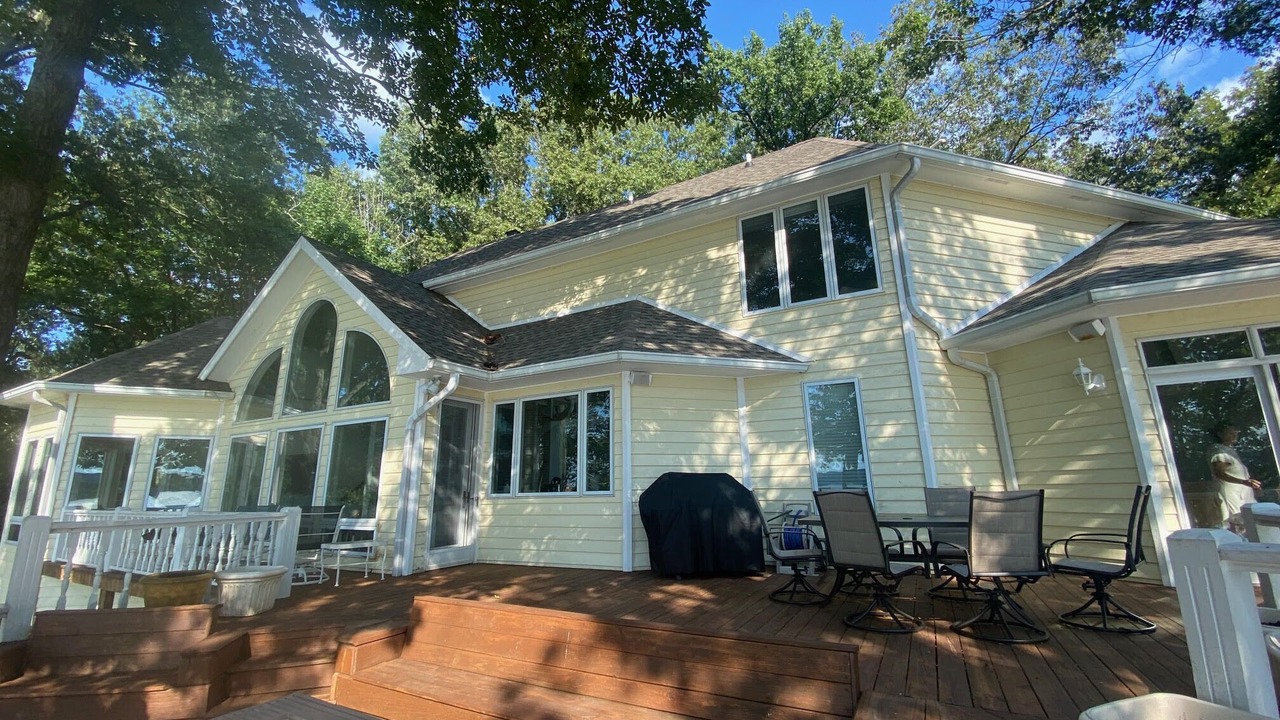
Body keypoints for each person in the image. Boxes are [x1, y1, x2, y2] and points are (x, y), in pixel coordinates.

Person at [1207, 421, 1263, 535]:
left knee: (1251, 522)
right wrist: (1243, 482)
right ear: (1220, 434)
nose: (1234, 435)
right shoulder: (1220, 451)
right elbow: (1219, 473)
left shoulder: (1229, 450)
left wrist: (1249, 484)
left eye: (1235, 432)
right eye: (1230, 433)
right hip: (1233, 495)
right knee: (1239, 524)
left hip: (1242, 494)